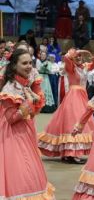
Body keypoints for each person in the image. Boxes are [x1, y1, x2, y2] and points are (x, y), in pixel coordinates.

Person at [0, 49, 55, 199]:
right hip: (13, 135)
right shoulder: (9, 89)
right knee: (22, 172)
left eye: (30, 62)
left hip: (25, 131)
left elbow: (31, 113)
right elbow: (11, 118)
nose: (29, 66)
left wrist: (32, 102)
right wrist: (29, 102)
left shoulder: (24, 85)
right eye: (24, 63)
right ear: (14, 66)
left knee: (30, 170)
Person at [38, 49, 94, 164]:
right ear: (72, 58)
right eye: (76, 56)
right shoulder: (71, 68)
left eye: (80, 56)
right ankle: (71, 154)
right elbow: (66, 58)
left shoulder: (85, 66)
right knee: (72, 121)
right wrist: (74, 53)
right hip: (73, 97)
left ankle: (69, 153)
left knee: (80, 121)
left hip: (82, 96)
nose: (79, 58)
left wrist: (92, 57)